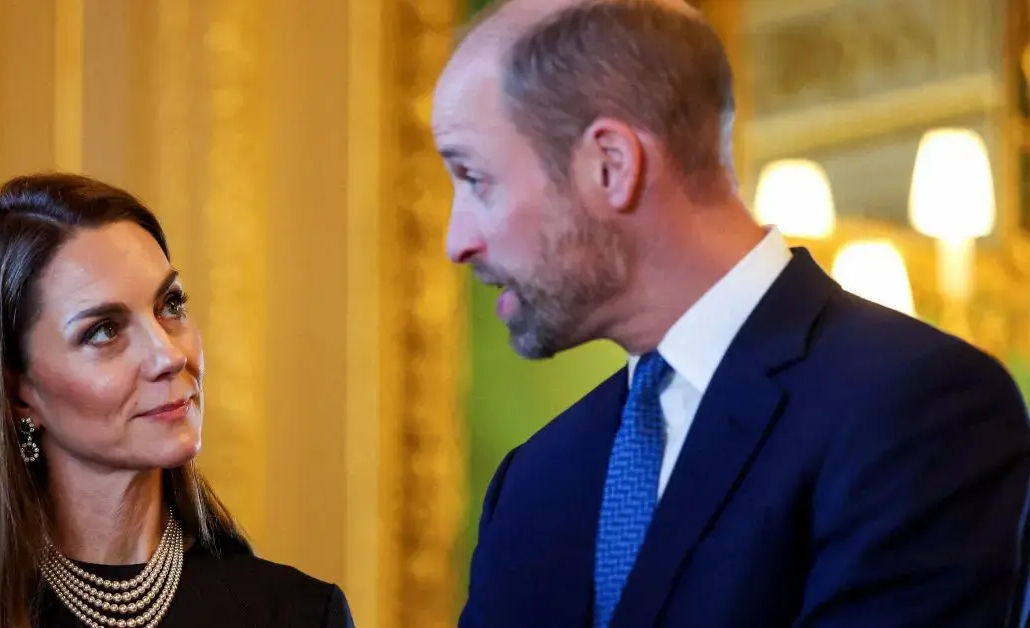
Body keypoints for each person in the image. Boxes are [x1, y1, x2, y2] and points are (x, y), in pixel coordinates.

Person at [435, 0, 1030, 626]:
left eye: (475, 179)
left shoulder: (920, 407)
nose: (457, 241)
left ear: (611, 165)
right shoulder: (535, 479)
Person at [0, 174, 354, 628]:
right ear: (17, 393)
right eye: (105, 330)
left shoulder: (299, 613)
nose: (169, 355)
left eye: (170, 305)